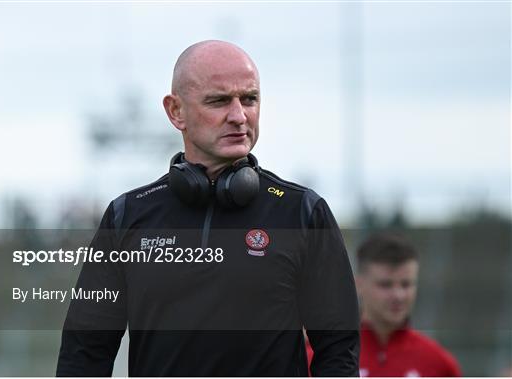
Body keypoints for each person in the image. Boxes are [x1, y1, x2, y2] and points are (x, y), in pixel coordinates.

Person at [56, 40, 359, 376]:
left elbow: (339, 350)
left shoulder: (302, 212)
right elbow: (83, 353)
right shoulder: (126, 216)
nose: (238, 116)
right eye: (218, 101)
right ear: (176, 111)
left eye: (249, 99)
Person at [355, 233, 461, 377]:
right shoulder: (324, 358)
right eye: (385, 285)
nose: (398, 295)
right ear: (359, 284)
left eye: (406, 284)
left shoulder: (439, 364)